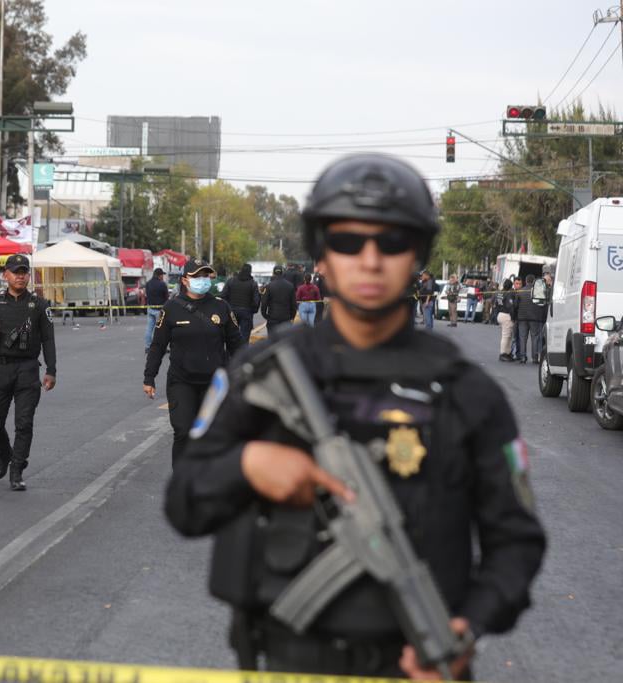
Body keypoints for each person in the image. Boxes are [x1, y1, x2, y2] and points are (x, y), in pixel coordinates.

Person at [165, 153, 545, 679]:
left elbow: (517, 540)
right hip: (288, 661)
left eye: (392, 242)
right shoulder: (264, 374)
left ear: (417, 255)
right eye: (347, 241)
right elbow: (184, 502)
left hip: (418, 665)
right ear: (322, 253)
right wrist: (247, 466)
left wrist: (466, 629)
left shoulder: (467, 392)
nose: (370, 259)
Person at [0, 254, 56, 491]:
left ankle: (17, 469)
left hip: (27, 370)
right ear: (5, 275)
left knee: (24, 423)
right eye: (15, 271)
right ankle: (4, 453)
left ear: (28, 275)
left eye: (24, 271)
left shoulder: (39, 305)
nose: (20, 276)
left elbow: (48, 339)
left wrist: (51, 370)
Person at [143, 258, 242, 466]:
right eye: (197, 276)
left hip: (214, 384)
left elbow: (237, 344)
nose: (203, 280)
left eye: (206, 275)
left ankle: (208, 482)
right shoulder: (171, 308)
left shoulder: (221, 307)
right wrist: (149, 377)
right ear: (185, 281)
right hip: (182, 381)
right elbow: (158, 345)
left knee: (212, 435)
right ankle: (181, 483)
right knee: (183, 431)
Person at [221, 263, 261, 344]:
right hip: (246, 312)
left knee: (231, 335)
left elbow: (223, 295)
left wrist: (228, 308)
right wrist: (252, 311)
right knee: (244, 337)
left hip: (232, 311)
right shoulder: (253, 283)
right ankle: (243, 354)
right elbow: (256, 301)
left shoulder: (231, 281)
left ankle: (231, 354)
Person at [514, 274, 546, 365]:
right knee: (535, 338)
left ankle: (522, 357)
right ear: (534, 281)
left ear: (526, 281)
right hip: (535, 319)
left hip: (522, 318)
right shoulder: (538, 292)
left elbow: (515, 305)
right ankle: (535, 358)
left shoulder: (520, 291)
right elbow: (542, 305)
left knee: (522, 338)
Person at [260, 265, 297, 331]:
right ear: (283, 273)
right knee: (285, 340)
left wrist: (265, 315)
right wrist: (292, 316)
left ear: (273, 273)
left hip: (272, 318)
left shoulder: (269, 286)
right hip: (286, 318)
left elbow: (264, 303)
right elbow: (294, 304)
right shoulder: (290, 286)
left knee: (272, 340)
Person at [144, 268, 170, 351]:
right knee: (161, 330)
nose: (163, 276)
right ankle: (161, 347)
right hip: (159, 310)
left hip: (150, 308)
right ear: (159, 275)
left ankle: (148, 347)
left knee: (149, 328)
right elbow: (166, 297)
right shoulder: (162, 284)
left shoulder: (148, 283)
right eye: (162, 275)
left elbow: (147, 295)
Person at [496, 279, 516, 361]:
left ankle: (507, 353)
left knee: (508, 336)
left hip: (500, 314)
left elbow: (496, 304)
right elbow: (510, 306)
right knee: (506, 336)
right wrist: (513, 317)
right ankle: (503, 354)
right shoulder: (508, 294)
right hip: (506, 315)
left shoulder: (500, 293)